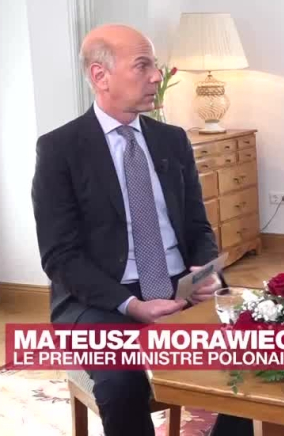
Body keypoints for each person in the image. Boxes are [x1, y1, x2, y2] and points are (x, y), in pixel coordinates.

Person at [31, 24, 239, 436]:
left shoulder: (172, 140)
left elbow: (197, 224)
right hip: (101, 300)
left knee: (264, 351)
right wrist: (130, 305)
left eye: (155, 66)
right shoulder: (59, 150)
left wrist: (204, 271)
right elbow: (60, 257)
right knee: (122, 383)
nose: (157, 76)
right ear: (100, 75)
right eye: (142, 65)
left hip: (181, 287)